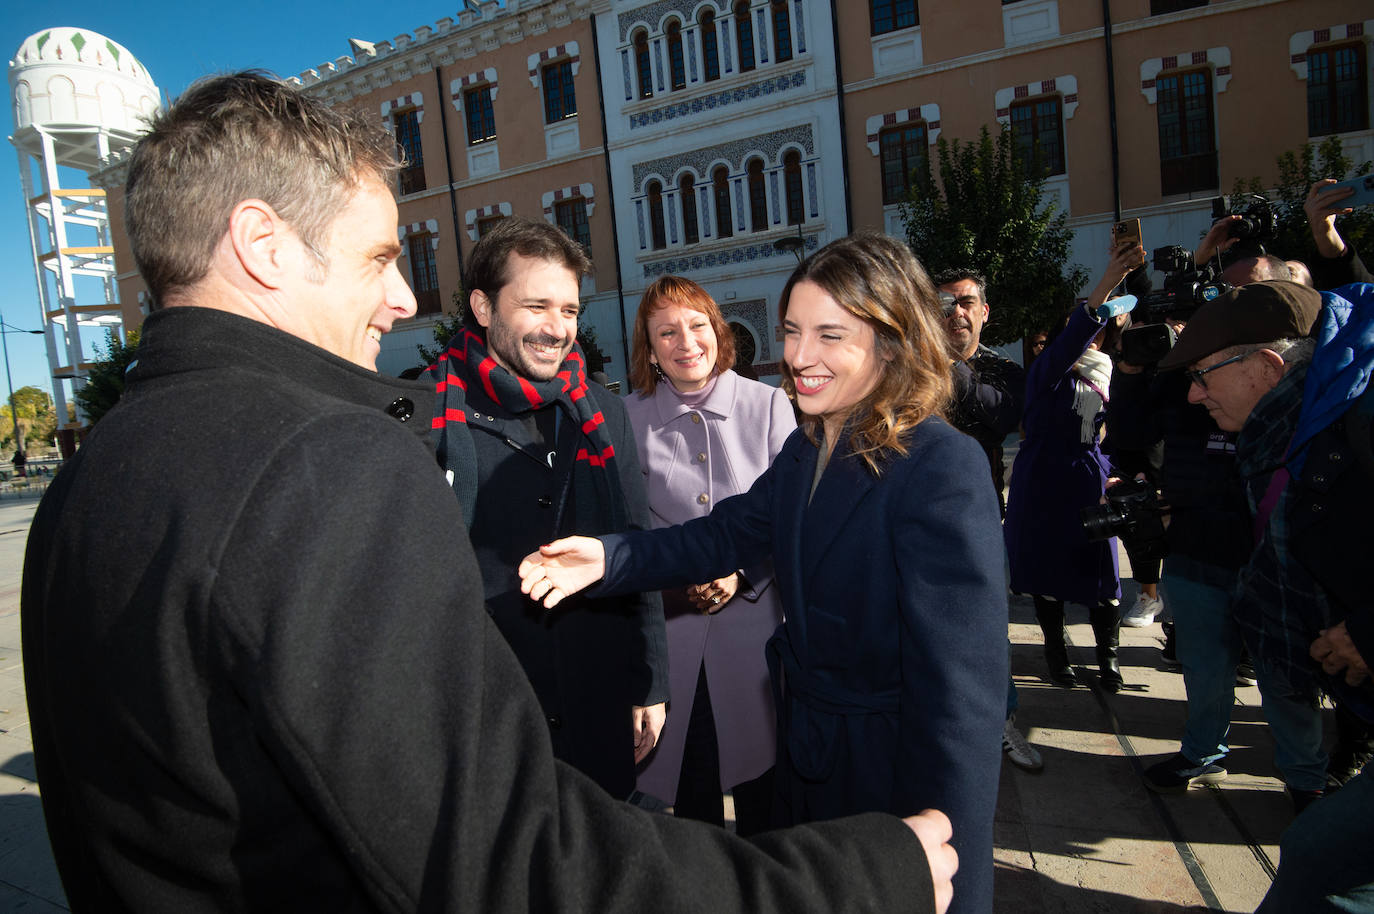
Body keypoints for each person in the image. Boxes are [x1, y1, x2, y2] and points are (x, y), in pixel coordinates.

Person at [20, 72, 959, 914]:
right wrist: (853, 882)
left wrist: (636, 639)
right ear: (263, 244)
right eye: (379, 258)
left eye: (568, 309)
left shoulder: (94, 473)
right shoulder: (359, 440)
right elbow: (503, 861)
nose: (400, 298)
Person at [519, 232, 1007, 914]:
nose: (799, 357)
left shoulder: (940, 464)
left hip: (884, 781)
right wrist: (609, 558)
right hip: (805, 761)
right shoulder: (812, 444)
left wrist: (953, 865)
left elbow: (964, 698)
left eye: (829, 335)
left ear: (891, 342)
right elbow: (727, 532)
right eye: (792, 331)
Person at [427, 217, 668, 800]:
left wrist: (651, 681)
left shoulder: (603, 412)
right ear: (483, 308)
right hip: (487, 716)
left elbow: (635, 543)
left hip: (595, 696)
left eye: (569, 311)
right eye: (536, 306)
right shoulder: (429, 416)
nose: (557, 329)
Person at [1156, 279, 1374, 910]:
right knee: (1320, 856)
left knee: (1322, 864)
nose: (1194, 394)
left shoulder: (1361, 420)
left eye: (1203, 376)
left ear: (1269, 366)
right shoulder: (1289, 430)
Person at [623, 276, 794, 834]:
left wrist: (742, 572)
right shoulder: (626, 418)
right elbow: (628, 524)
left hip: (755, 638)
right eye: (666, 332)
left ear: (718, 332)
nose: (686, 342)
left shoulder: (769, 405)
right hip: (672, 637)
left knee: (765, 798)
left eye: (697, 325)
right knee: (690, 798)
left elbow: (790, 519)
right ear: (650, 350)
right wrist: (674, 581)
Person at [1003, 241, 1138, 693]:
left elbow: (1110, 432)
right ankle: (1056, 654)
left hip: (1087, 482)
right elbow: (1075, 336)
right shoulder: (1050, 370)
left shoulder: (1108, 373)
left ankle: (1108, 658)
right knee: (1047, 573)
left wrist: (1113, 469)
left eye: (1102, 330)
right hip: (1043, 482)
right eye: (1087, 330)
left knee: (1102, 574)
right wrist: (1107, 284)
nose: (1095, 337)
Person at [934, 269, 1042, 774]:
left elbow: (998, 415)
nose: (955, 312)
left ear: (984, 312)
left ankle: (1000, 718)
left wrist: (945, 363)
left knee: (988, 627)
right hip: (914, 519)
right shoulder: (911, 368)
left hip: (977, 521)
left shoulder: (1003, 370)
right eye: (944, 304)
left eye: (965, 302)